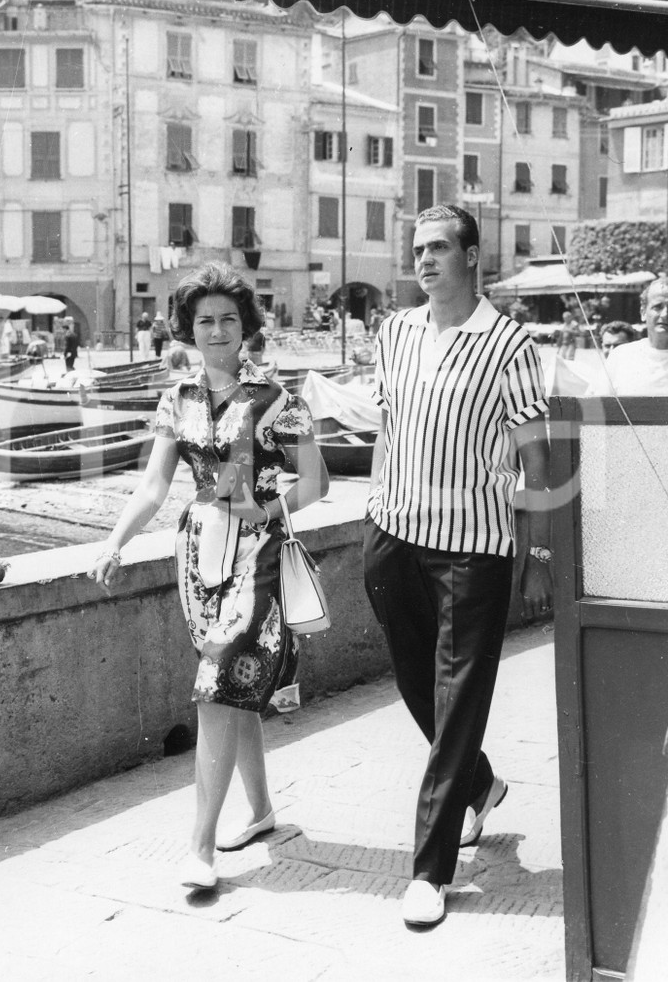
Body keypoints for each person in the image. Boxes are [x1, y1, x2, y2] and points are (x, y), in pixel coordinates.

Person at [89, 262, 329, 891]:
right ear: (188, 330)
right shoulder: (178, 399)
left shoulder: (275, 398)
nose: (217, 330)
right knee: (232, 689)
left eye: (228, 319)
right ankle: (261, 810)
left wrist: (267, 510)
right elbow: (154, 486)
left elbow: (317, 482)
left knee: (218, 685)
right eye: (204, 321)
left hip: (258, 554)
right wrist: (115, 541)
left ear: (246, 326)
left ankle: (200, 847)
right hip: (198, 555)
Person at [364, 205, 551, 928]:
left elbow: (536, 458)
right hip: (394, 534)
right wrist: (374, 510)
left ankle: (430, 870)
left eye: (440, 247)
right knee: (418, 686)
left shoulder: (509, 343)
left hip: (474, 548)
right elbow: (387, 428)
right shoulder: (394, 332)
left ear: (473, 256)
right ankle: (481, 784)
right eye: (418, 249)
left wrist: (537, 551)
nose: (425, 260)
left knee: (458, 700)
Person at [597, 276, 668, 395]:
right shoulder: (620, 356)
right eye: (657, 307)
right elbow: (596, 403)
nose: (665, 314)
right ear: (643, 312)